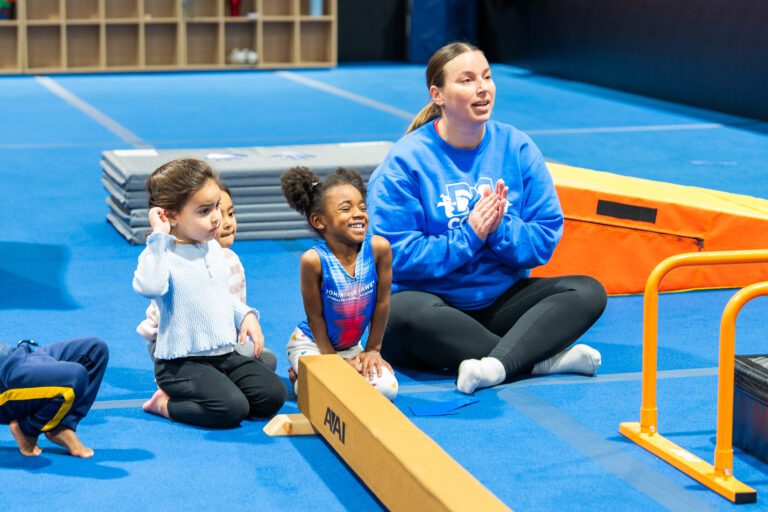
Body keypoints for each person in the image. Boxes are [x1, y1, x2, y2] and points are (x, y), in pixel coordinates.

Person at [366, 42, 607, 395]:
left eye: (487, 77)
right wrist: (468, 237)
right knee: (401, 313)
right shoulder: (405, 162)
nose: (482, 88)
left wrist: (499, 228)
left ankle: (495, 365)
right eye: (466, 80)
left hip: (499, 303)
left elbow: (543, 239)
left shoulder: (517, 147)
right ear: (438, 95)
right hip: (432, 307)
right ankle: (540, 359)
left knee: (587, 291)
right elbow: (395, 255)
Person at [134, 158, 286, 428]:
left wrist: (245, 315)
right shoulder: (162, 254)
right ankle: (164, 404)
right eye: (204, 211)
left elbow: (220, 296)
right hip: (180, 363)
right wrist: (159, 237)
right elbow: (149, 287)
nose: (217, 217)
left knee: (272, 395)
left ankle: (215, 388)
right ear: (171, 216)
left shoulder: (212, 248)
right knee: (231, 409)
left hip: (223, 354)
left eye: (216, 206)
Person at [280, 166, 398, 400]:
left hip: (352, 347)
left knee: (387, 390)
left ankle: (309, 375)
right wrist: (332, 362)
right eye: (346, 209)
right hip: (313, 344)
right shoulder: (314, 261)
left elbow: (383, 302)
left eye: (362, 207)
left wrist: (373, 350)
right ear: (319, 221)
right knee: (327, 395)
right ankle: (304, 375)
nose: (358, 214)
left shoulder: (378, 249)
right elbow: (315, 318)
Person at [136, 182, 278, 371]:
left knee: (266, 362)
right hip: (176, 344)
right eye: (205, 212)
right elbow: (165, 316)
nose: (224, 222)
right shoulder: (176, 260)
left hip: (219, 341)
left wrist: (245, 318)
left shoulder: (230, 260)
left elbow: (231, 308)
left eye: (230, 213)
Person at [0, 337, 109, 457]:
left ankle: (62, 425)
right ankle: (27, 429)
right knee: (74, 378)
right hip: (5, 378)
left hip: (17, 354)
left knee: (95, 349)